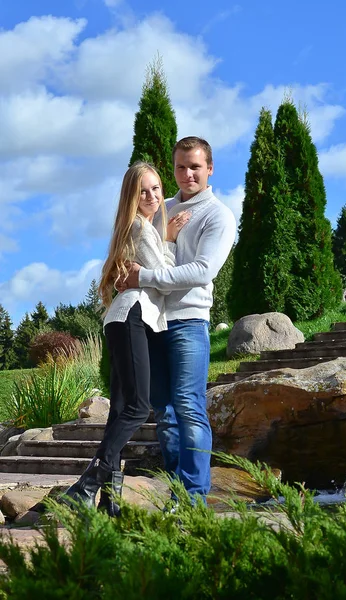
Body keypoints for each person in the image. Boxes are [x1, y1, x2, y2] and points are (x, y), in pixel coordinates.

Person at [62, 161, 189, 516]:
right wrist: (170, 239)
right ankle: (86, 486)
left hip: (121, 318)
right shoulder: (143, 230)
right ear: (131, 198)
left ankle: (109, 502)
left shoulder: (137, 228)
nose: (152, 196)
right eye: (143, 191)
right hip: (133, 315)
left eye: (156, 189)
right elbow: (162, 277)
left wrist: (161, 238)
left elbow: (148, 273)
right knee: (136, 406)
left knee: (119, 410)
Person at [118, 137, 236, 504]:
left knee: (188, 405)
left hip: (188, 321)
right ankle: (174, 489)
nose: (187, 174)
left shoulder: (218, 215)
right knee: (165, 412)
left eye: (195, 167)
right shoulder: (161, 206)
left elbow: (202, 271)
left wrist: (145, 278)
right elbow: (139, 252)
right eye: (181, 167)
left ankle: (194, 497)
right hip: (153, 323)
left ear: (210, 169)